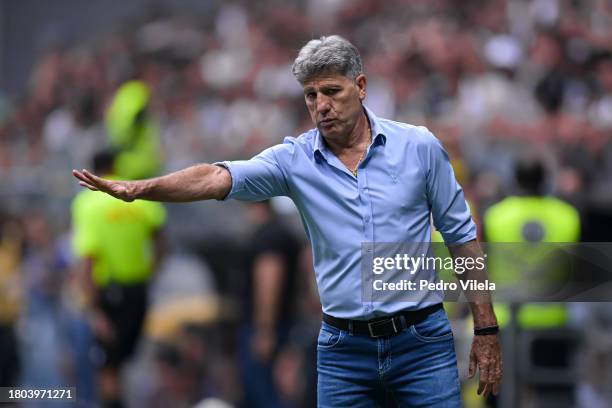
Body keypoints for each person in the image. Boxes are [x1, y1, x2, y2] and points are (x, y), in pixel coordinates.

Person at [74, 35, 502, 407]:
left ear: (361, 86)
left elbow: (462, 238)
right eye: (311, 96)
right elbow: (215, 175)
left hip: (421, 342)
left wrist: (485, 327)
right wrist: (139, 189)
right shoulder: (294, 161)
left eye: (331, 91)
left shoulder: (420, 147)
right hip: (343, 349)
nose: (321, 106)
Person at [72, 150, 166, 408]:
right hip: (138, 288)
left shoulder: (88, 203)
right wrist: (150, 270)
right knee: (128, 361)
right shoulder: (136, 193)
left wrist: (93, 310)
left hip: (108, 294)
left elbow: (88, 260)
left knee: (108, 367)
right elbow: (159, 239)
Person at [239, 200, 301, 408]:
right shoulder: (282, 233)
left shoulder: (270, 237)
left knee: (265, 394)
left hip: (268, 329)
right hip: (282, 325)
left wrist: (264, 330)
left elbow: (269, 281)